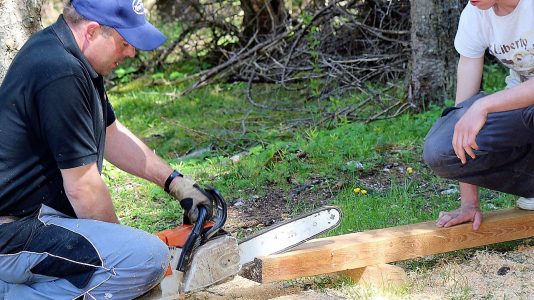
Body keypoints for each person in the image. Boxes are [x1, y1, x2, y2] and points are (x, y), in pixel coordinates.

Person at [0, 0, 212, 299]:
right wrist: (124, 249)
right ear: (92, 31)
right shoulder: (60, 73)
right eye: (124, 43)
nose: (131, 53)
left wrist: (176, 182)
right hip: (12, 234)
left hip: (29, 222)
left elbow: (111, 134)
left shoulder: (67, 54)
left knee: (134, 257)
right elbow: (83, 188)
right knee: (146, 259)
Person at [423, 0, 534, 231]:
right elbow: (461, 114)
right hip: (523, 113)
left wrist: (484, 106)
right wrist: (469, 203)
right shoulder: (475, 15)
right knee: (441, 150)